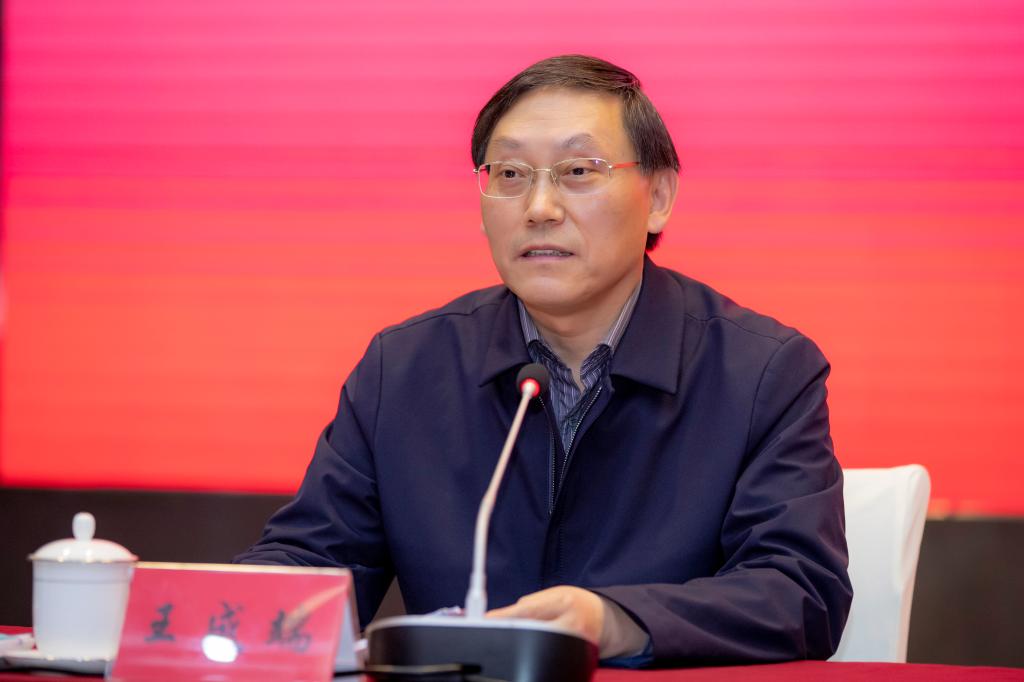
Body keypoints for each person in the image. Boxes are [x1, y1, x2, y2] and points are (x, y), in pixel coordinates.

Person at [235, 54, 852, 665]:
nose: (539, 207)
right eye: (510, 174)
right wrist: (217, 609)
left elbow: (798, 592)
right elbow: (313, 563)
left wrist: (613, 622)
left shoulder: (762, 374)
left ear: (659, 196)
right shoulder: (403, 370)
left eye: (578, 171)